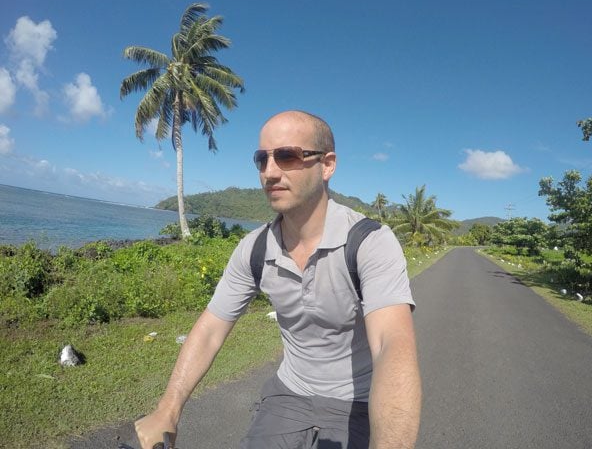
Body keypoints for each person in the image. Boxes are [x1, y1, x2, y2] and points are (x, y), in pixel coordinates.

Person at [135, 110, 421, 448]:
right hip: (290, 393)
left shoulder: (369, 242)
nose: (270, 172)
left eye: (287, 156)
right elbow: (211, 328)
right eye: (262, 159)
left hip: (359, 399)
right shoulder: (254, 248)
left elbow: (393, 345)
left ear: (326, 165)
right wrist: (167, 409)